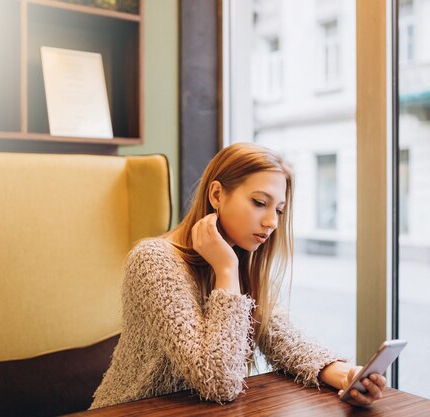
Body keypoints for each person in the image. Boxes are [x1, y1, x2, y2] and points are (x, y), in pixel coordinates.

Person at [90, 143, 386, 409]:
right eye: (259, 203)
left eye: (279, 210)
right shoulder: (154, 260)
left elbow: (282, 338)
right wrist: (226, 271)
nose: (271, 222)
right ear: (217, 194)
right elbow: (218, 381)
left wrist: (344, 374)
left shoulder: (241, 261)